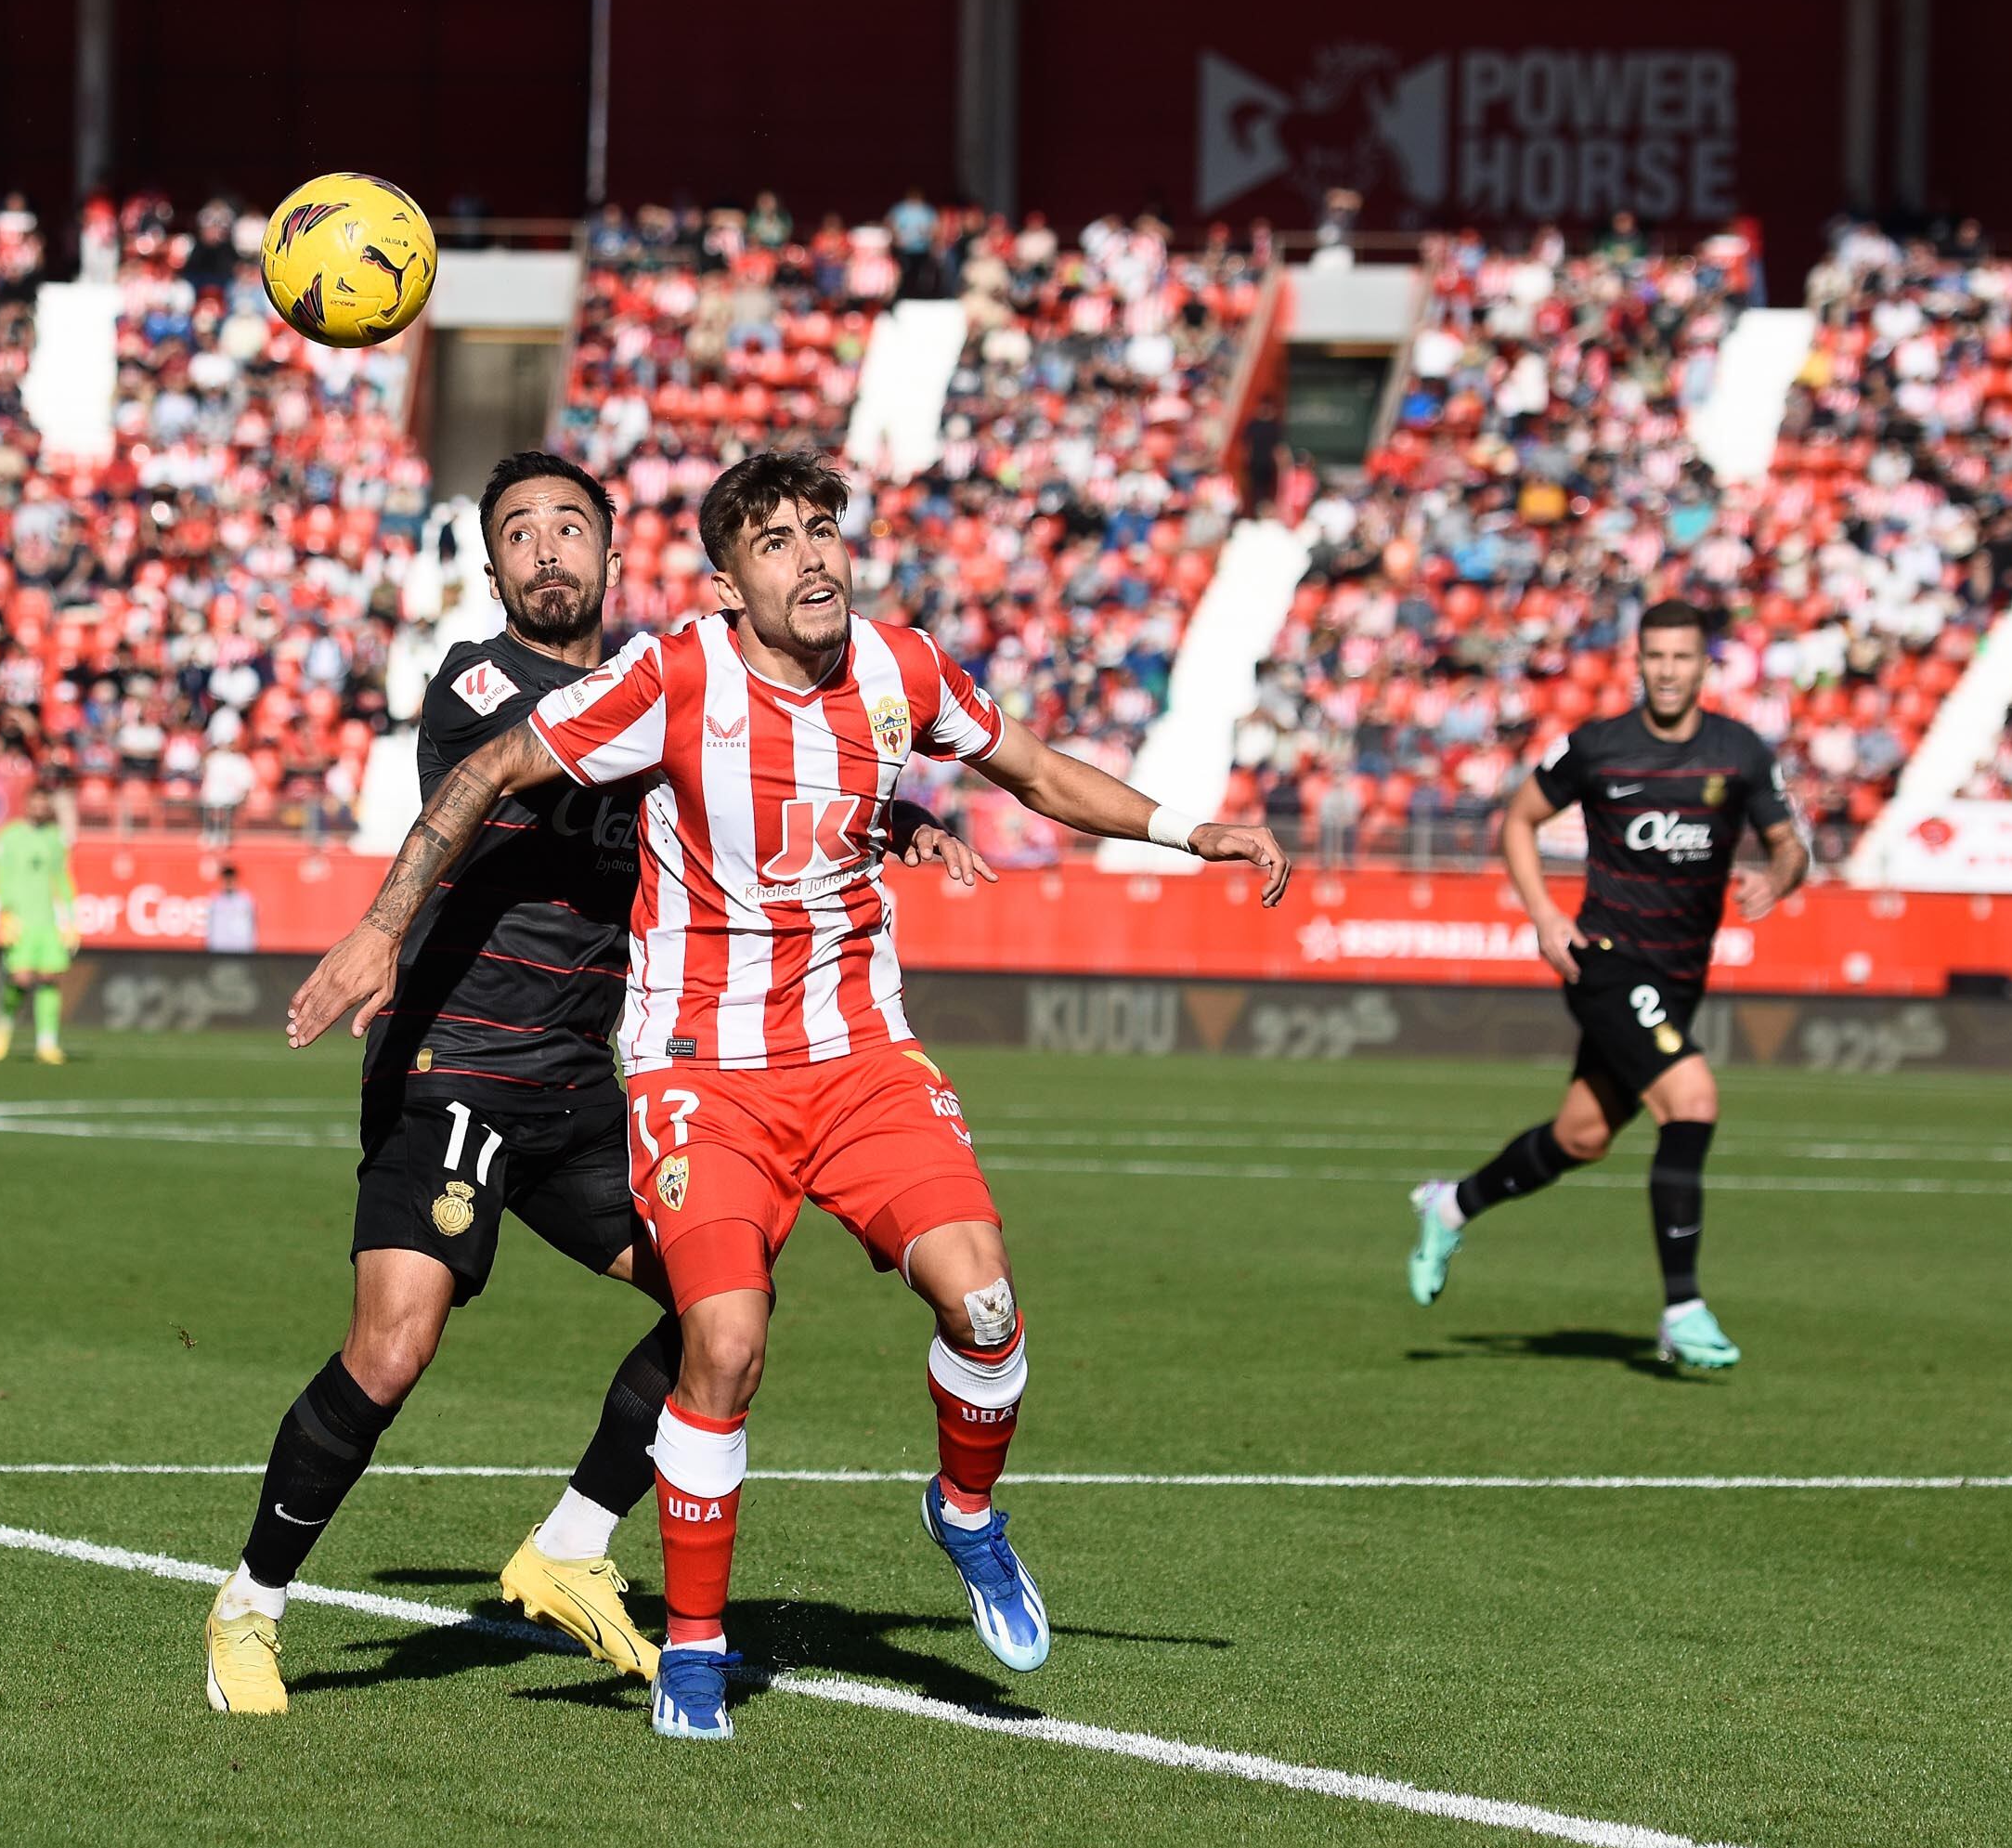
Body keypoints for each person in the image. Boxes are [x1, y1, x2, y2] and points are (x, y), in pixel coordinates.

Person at [287, 452, 1288, 1740]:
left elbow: (1032, 770)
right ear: (725, 581)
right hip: (701, 1068)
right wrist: (378, 926)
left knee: (983, 1301)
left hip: (860, 1051)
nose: (809, 556)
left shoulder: (901, 669)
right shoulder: (668, 676)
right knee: (723, 1340)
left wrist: (1183, 829)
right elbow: (486, 775)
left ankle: (964, 1512)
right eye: (773, 542)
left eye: (822, 531)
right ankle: (693, 1647)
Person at [221, 449, 997, 1720]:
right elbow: (520, 782)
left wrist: (887, 818)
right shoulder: (483, 686)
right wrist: (373, 928)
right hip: (455, 1062)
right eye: (516, 532)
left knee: (713, 1316)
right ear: (489, 569)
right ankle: (250, 1602)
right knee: (393, 1343)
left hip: (585, 1076)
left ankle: (571, 1541)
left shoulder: (675, 681)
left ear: (611, 550)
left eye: (566, 527)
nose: (543, 550)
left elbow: (762, 777)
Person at [1406, 598, 1809, 1370]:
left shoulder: (1739, 753)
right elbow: (1516, 820)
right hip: (1605, 959)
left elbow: (1790, 847)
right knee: (1691, 1099)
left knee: (1581, 1137)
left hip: (1680, 974)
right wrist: (1542, 915)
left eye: (1680, 657)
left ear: (1702, 666)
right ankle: (1681, 1306)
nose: (1666, 670)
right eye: (1653, 656)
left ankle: (1450, 1204)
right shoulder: (1596, 748)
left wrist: (1776, 881)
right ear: (1638, 663)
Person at [0, 779, 75, 1065]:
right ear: (26, 804)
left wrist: (71, 919)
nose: (39, 807)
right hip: (20, 919)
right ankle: (5, 1022)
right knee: (22, 978)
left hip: (48, 920)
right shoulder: (9, 836)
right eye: (35, 802)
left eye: (43, 803)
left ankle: (47, 1043)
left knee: (49, 977)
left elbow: (62, 879)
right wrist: (5, 912)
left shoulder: (54, 838)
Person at [203, 864, 257, 957]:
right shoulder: (215, 901)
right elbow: (210, 928)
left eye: (231, 878)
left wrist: (252, 949)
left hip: (240, 951)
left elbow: (252, 927)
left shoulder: (245, 901)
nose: (229, 882)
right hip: (219, 951)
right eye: (226, 878)